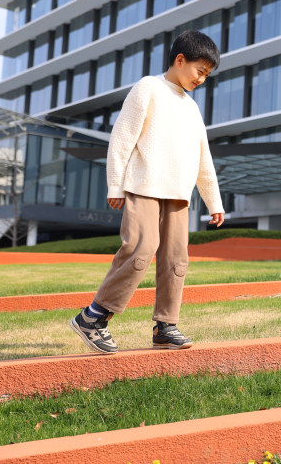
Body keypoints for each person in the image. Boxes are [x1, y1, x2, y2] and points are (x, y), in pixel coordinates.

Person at [69, 30, 225, 354]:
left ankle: (166, 326)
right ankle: (93, 317)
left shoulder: (192, 109)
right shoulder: (148, 88)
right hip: (143, 186)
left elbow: (203, 159)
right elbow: (122, 139)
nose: (202, 79)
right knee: (142, 248)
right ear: (180, 60)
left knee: (175, 260)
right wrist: (116, 184)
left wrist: (214, 201)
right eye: (200, 70)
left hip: (179, 195)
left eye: (207, 75)